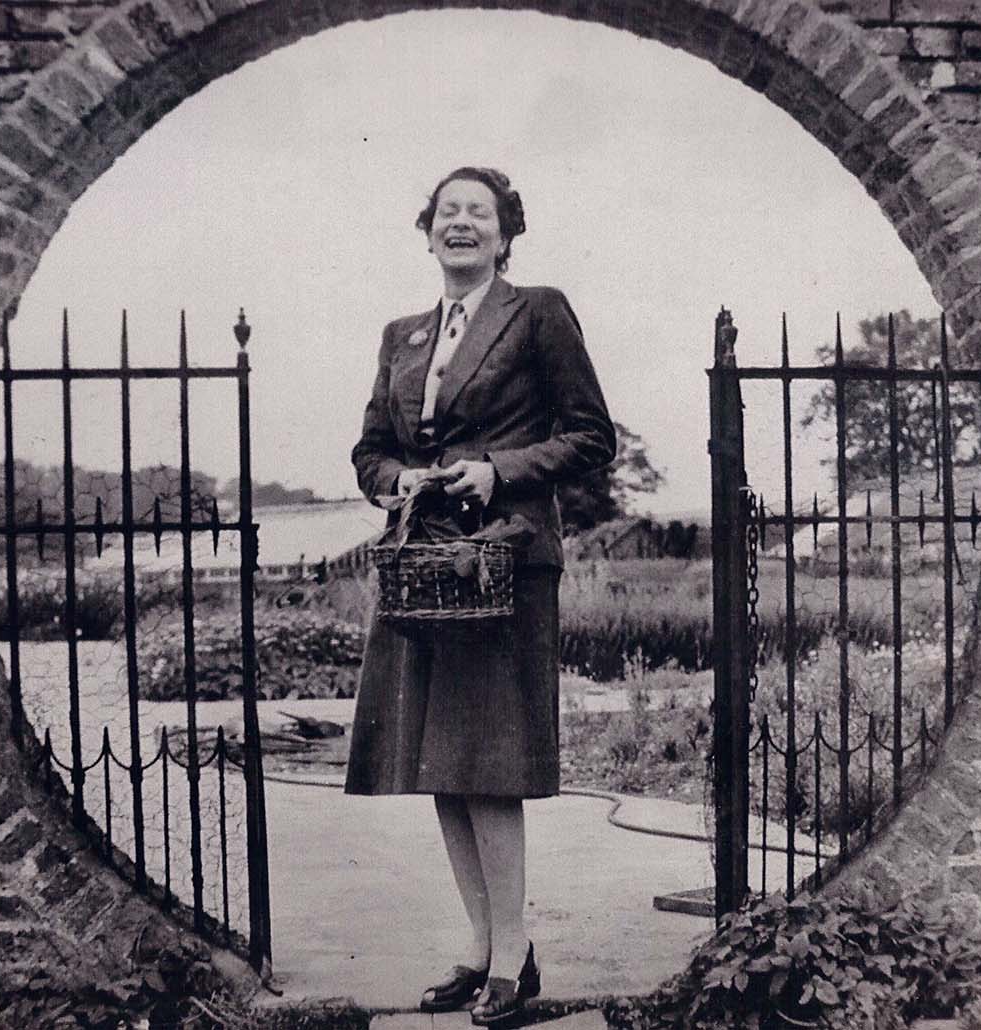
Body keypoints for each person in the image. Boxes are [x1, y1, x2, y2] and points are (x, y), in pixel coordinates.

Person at [345, 166, 616, 1025]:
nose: (460, 223)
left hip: (503, 562)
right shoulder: (402, 335)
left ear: (505, 235)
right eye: (447, 212)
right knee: (442, 763)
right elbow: (370, 452)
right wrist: (397, 481)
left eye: (479, 212)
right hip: (423, 566)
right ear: (428, 230)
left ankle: (512, 958)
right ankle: (481, 945)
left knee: (488, 764)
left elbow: (590, 437)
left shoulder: (538, 312)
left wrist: (498, 471)